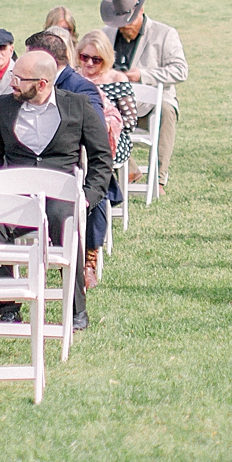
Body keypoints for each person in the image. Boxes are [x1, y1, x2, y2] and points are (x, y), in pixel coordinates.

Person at [0, 50, 113, 333]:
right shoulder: (4, 106)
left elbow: (102, 158)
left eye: (19, 79)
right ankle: (8, 307)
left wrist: (88, 198)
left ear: (42, 84)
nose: (12, 83)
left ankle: (77, 309)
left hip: (61, 196)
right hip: (17, 196)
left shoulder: (77, 107)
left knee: (66, 221)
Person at [100, 0, 188, 192]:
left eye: (128, 22)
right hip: (117, 105)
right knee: (96, 111)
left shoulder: (165, 34)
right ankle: (129, 170)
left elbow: (180, 71)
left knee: (167, 110)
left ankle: (158, 179)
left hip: (152, 104)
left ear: (141, 12)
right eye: (119, 23)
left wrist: (143, 75)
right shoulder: (107, 34)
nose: (123, 27)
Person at [77, 29, 139, 289]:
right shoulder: (72, 80)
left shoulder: (116, 79)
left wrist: (106, 130)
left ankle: (90, 256)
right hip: (77, 145)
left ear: (106, 59)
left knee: (97, 179)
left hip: (110, 144)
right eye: (84, 57)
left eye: (96, 60)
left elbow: (130, 120)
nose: (89, 64)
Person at [24, 30, 106, 115]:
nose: (25, 63)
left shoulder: (82, 89)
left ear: (47, 59)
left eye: (29, 58)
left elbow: (96, 126)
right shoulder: (27, 83)